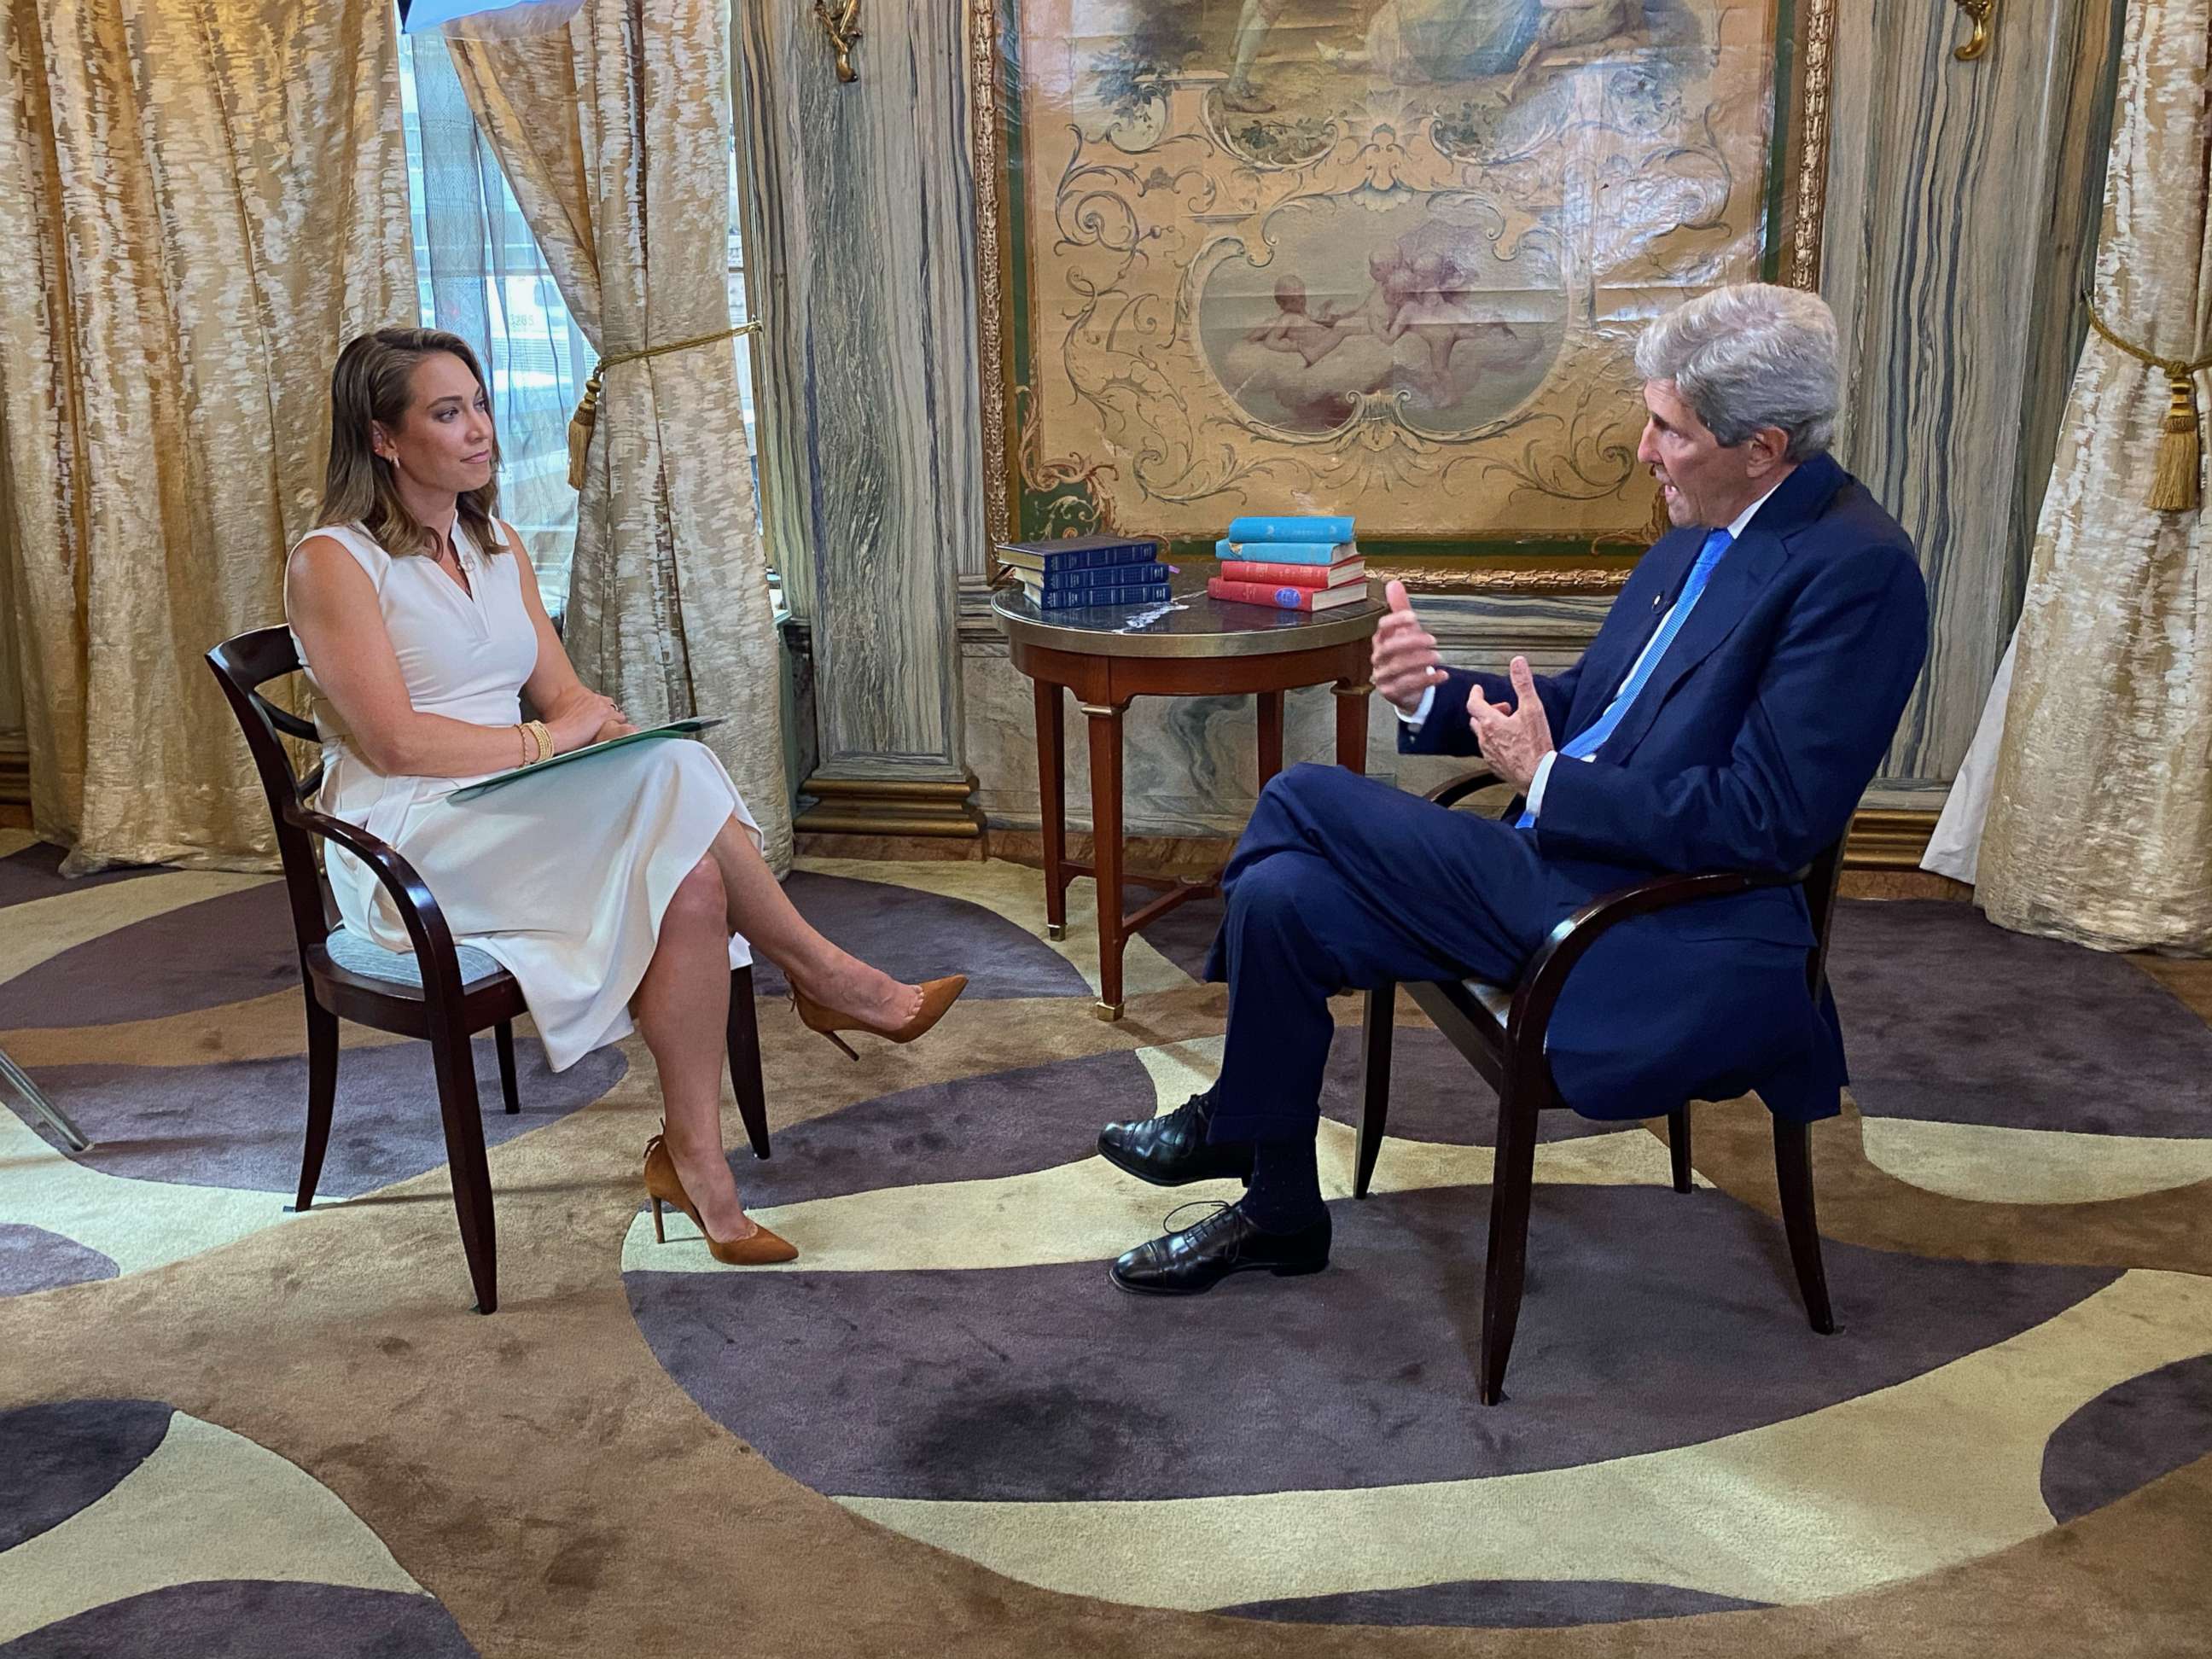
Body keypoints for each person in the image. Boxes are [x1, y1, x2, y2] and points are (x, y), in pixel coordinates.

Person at [1097, 282, 1928, 1294]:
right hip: (1555, 864)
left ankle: (1231, 1118)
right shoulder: (1697, 526)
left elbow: (1770, 822)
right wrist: (1437, 700)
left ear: (1761, 445)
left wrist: (1553, 784)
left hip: (1654, 926)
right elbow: (1591, 703)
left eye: (1667, 428)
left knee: (1303, 794)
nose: (1642, 450)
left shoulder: (1859, 571)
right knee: (1280, 899)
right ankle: (1278, 1207)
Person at [283, 328, 963, 1267]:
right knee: (669, 787)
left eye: (480, 404)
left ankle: (698, 1162)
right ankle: (828, 978)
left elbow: (562, 693)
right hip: (413, 835)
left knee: (686, 868)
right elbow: (395, 741)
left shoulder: (494, 541)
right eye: (449, 413)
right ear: (384, 438)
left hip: (514, 806)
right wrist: (550, 741)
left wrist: (599, 735)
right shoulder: (333, 561)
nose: (480, 429)